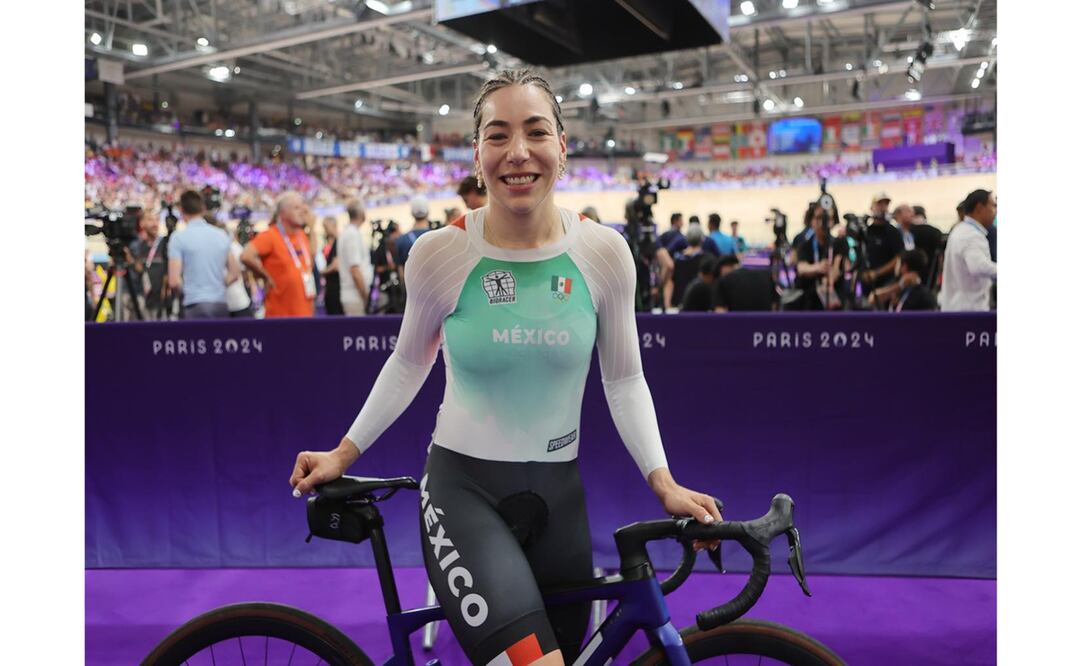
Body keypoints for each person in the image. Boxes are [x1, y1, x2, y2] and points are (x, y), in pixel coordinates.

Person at [288, 68, 721, 666]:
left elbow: (623, 379)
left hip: (560, 499)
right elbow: (410, 361)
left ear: (562, 147)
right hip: (463, 495)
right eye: (497, 136)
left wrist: (663, 481)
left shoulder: (605, 253)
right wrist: (344, 452)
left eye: (536, 132)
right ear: (477, 153)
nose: (518, 153)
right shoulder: (440, 254)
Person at [241, 191, 316, 318]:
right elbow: (246, 256)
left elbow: (309, 264)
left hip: (305, 313)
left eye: (302, 207)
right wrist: (264, 275)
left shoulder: (301, 235)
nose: (302, 211)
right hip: (280, 316)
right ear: (283, 213)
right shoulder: (270, 235)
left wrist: (312, 228)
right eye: (296, 208)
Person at [167, 190, 239, 319]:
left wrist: (189, 293)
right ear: (203, 208)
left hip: (193, 304)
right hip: (219, 303)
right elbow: (234, 273)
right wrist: (217, 287)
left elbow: (174, 281)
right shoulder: (221, 234)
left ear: (181, 210)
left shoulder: (178, 238)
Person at [940, 189, 997, 311]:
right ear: (979, 207)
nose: (996, 211)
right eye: (993, 206)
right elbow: (978, 266)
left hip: (960, 306)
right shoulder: (970, 235)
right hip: (969, 309)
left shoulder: (962, 229)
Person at [795, 203, 847, 310]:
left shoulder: (838, 243)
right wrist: (818, 267)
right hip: (809, 302)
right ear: (811, 221)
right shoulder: (805, 244)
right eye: (818, 218)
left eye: (828, 219)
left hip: (834, 302)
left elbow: (837, 269)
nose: (823, 223)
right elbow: (801, 268)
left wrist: (830, 278)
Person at [860, 193, 904, 295]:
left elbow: (899, 257)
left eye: (886, 205)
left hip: (887, 282)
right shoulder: (866, 231)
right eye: (879, 204)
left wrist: (877, 273)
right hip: (867, 282)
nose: (883, 208)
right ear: (872, 207)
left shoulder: (893, 232)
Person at [129, 206, 167, 319]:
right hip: (140, 301)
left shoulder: (165, 244)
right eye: (150, 220)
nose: (155, 224)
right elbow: (135, 274)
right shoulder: (135, 246)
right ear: (142, 223)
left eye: (157, 220)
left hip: (162, 303)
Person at [338, 200, 374, 316]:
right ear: (360, 213)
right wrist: (364, 295)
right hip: (355, 296)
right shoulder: (351, 235)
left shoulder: (350, 233)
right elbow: (355, 270)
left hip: (354, 294)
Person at [871, 249, 936, 312]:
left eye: (897, 263)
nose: (895, 266)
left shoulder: (923, 296)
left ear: (904, 266)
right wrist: (900, 286)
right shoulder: (897, 285)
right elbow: (873, 299)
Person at [663, 225, 707, 310]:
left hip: (679, 305)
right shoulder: (706, 259)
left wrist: (667, 306)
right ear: (702, 240)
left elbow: (670, 282)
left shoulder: (678, 260)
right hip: (701, 307)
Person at [712, 255, 776, 312]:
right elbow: (774, 306)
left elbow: (720, 312)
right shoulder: (766, 276)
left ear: (722, 268)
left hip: (736, 324)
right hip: (766, 323)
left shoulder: (723, 281)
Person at [394, 195, 433, 285]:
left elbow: (401, 273)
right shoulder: (438, 236)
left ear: (412, 213)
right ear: (428, 212)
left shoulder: (401, 240)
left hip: (413, 291)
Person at [226, 224, 254, 318]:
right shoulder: (235, 247)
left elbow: (242, 271)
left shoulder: (234, 247)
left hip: (236, 298)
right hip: (236, 298)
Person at [320, 216, 343, 316]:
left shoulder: (339, 241)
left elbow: (336, 266)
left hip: (336, 289)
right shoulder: (334, 243)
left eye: (326, 227)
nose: (324, 230)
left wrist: (321, 272)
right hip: (332, 288)